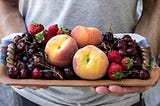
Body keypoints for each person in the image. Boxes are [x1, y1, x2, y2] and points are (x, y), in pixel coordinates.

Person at [0, 0, 160, 106]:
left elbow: (153, 6)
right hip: (34, 95)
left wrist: (142, 67)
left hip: (123, 99)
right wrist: (18, 53)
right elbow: (6, 5)